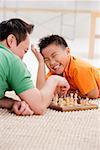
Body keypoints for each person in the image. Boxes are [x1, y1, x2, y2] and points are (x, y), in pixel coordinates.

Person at [0, 19, 70, 116]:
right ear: (11, 40)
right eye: (25, 51)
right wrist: (55, 79)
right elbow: (39, 106)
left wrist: (13, 103)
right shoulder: (12, 59)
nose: (22, 58)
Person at [32, 34, 100, 99]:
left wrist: (68, 92)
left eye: (54, 55)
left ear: (67, 51)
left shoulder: (79, 68)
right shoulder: (53, 73)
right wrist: (41, 62)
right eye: (46, 60)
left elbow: (93, 94)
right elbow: (41, 92)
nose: (52, 62)